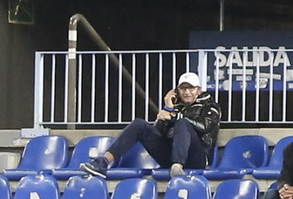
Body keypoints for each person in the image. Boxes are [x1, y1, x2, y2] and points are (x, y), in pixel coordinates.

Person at [82, 72, 221, 178]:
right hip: (170, 156)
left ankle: (178, 167)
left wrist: (175, 116)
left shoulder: (210, 106)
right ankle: (103, 162)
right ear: (177, 91)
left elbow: (204, 126)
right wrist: (167, 110)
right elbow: (158, 133)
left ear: (199, 90)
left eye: (191, 88)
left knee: (182, 122)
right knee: (140, 124)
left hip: (197, 158)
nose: (187, 92)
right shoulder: (174, 106)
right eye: (183, 89)